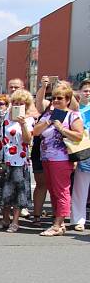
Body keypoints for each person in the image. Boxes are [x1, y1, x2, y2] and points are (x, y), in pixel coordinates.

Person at [32, 82, 84, 236]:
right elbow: (35, 132)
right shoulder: (49, 114)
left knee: (61, 191)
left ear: (68, 99)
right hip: (47, 158)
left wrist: (62, 129)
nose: (55, 101)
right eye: (53, 98)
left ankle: (58, 224)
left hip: (62, 159)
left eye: (59, 98)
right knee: (53, 191)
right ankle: (58, 222)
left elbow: (79, 135)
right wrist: (48, 121)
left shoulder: (73, 115)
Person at [0, 89, 36, 233]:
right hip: (3, 158)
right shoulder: (4, 116)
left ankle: (15, 221)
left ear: (26, 106)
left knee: (17, 191)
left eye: (21, 104)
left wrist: (23, 125)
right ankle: (5, 218)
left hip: (19, 160)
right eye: (15, 103)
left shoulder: (29, 119)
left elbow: (28, 140)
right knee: (4, 190)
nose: (18, 105)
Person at [71, 78, 90, 232]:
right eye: (85, 90)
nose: (88, 93)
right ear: (80, 92)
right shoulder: (76, 111)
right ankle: (78, 219)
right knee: (80, 187)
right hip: (83, 151)